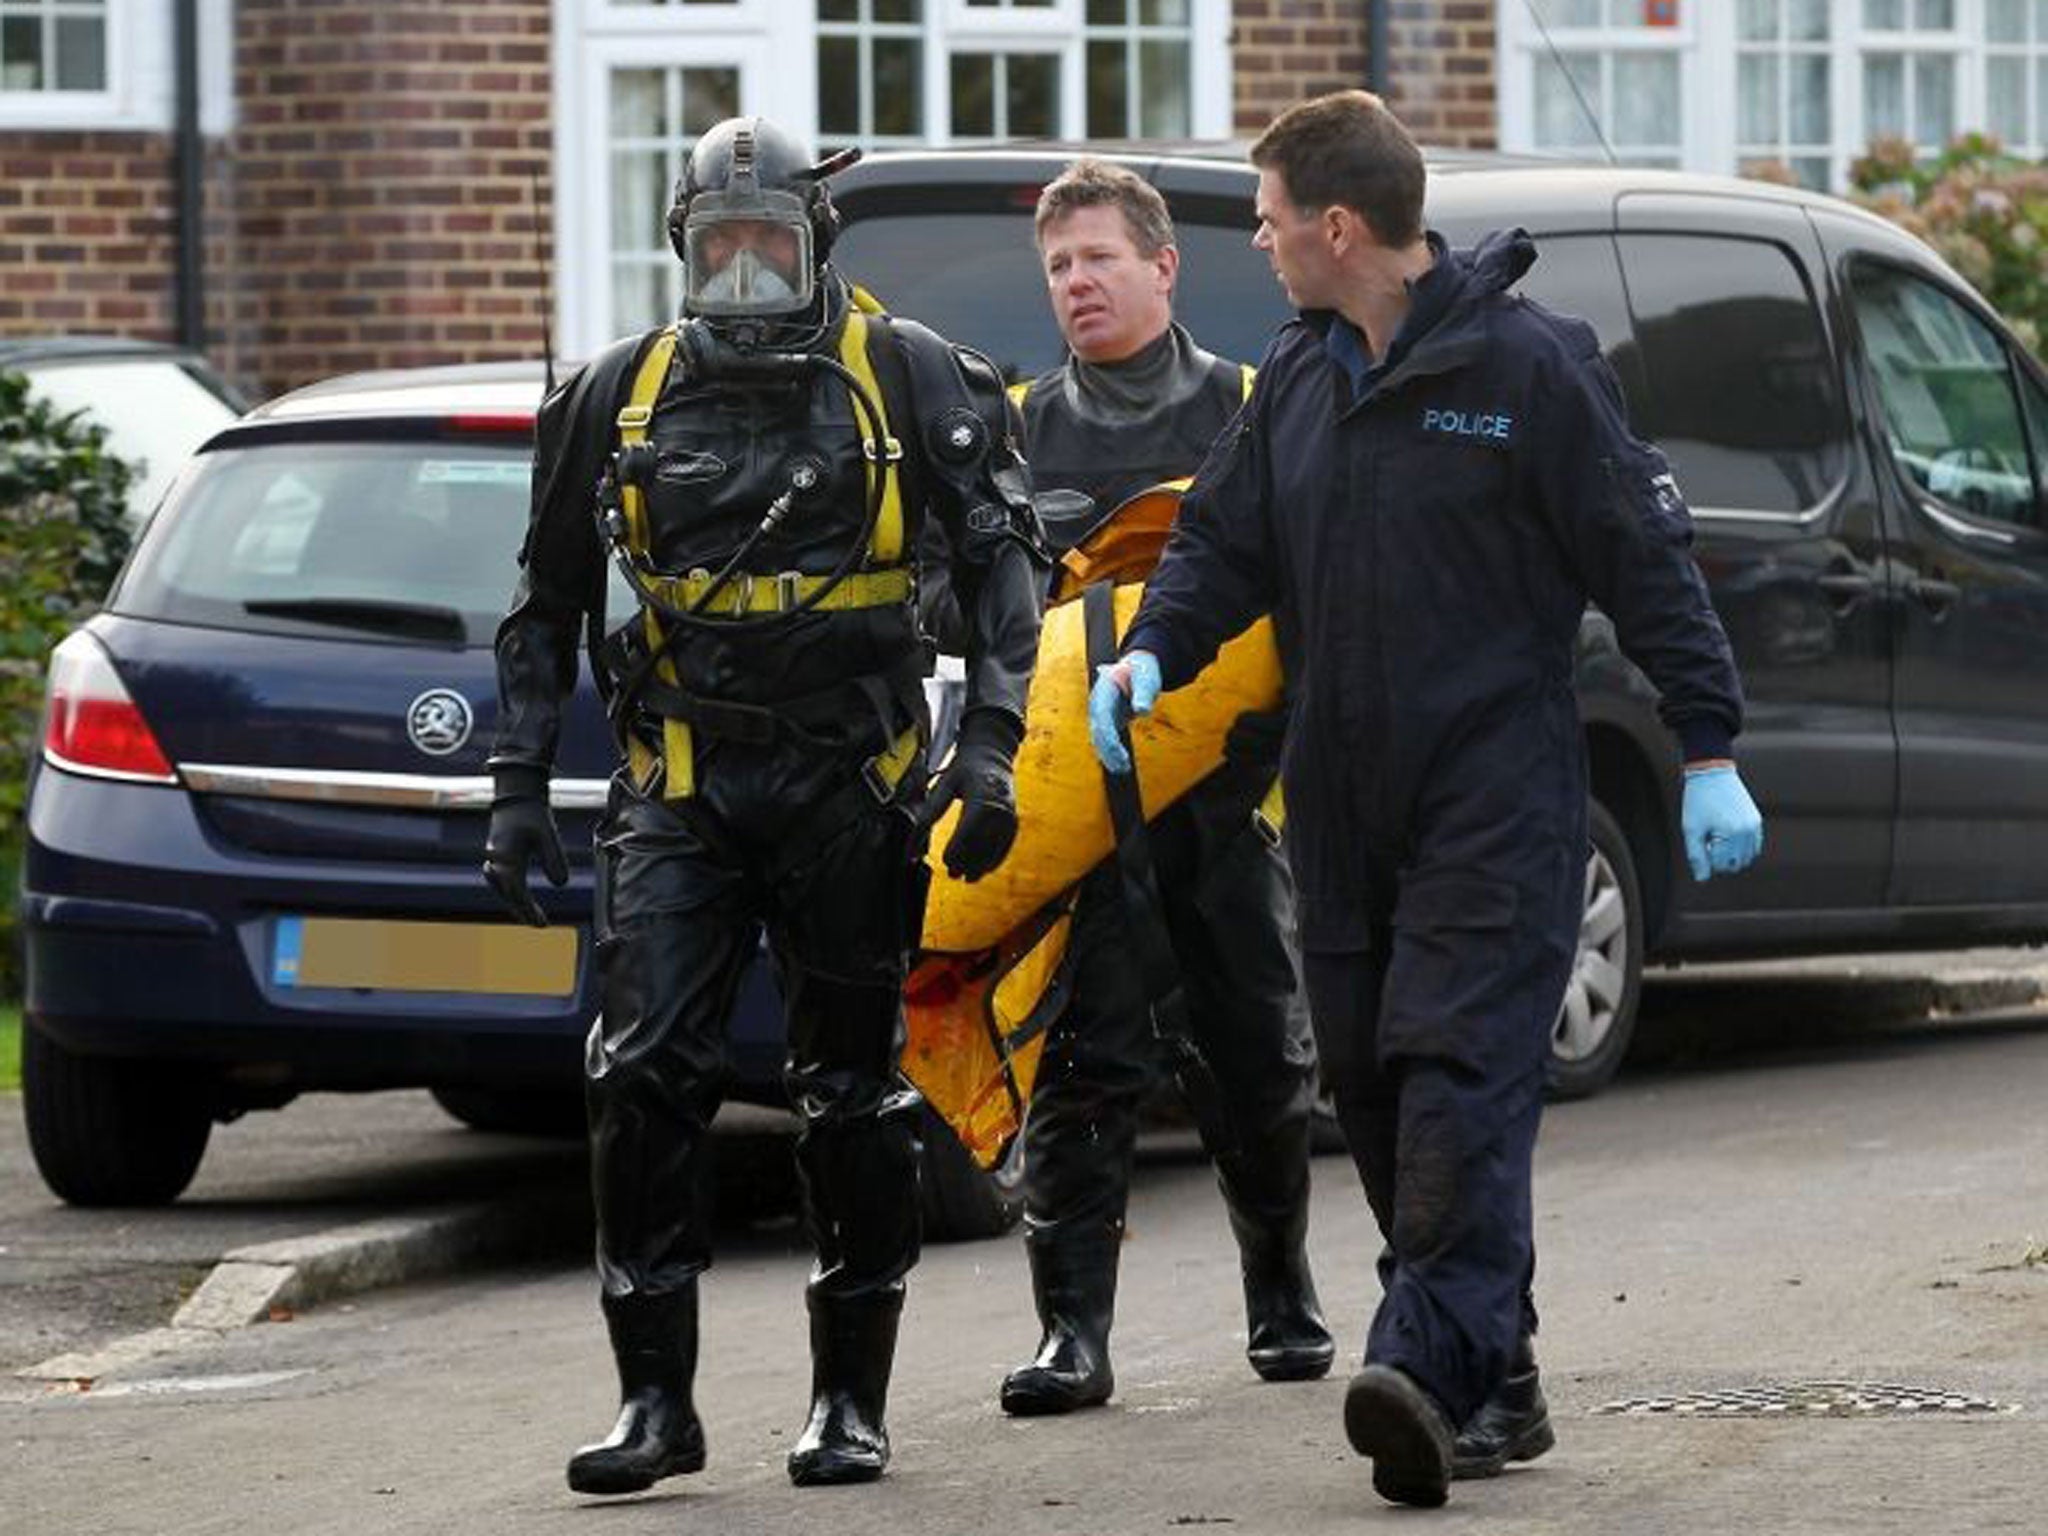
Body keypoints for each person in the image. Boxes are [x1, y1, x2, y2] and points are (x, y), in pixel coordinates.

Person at [1088, 92, 1762, 1508]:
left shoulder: (1527, 370)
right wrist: (1157, 646)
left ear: (1338, 226)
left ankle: (1422, 1360)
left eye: (1270, 220)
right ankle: (1495, 1371)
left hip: (1495, 791)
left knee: (1459, 1065)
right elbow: (1223, 539)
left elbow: (1644, 555)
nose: (1260, 245)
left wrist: (1708, 744)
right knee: (1373, 1077)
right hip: (1342, 793)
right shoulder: (1302, 375)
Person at [483, 116, 1044, 1493]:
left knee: (851, 1095)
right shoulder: (615, 394)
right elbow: (544, 602)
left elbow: (1004, 575)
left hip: (849, 785)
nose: (744, 273)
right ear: (681, 249)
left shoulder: (911, 380)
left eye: (768, 247)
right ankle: (654, 1405)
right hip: (678, 783)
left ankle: (850, 1401)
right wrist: (510, 787)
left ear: (818, 246)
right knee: (641, 1075)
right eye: (718, 247)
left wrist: (990, 751)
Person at [985, 158, 1335, 1417]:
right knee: (1077, 1061)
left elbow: (1309, 596)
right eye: (1058, 267)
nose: (1077, 283)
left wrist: (1273, 745)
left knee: (1254, 1052)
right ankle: (1070, 1332)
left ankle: (1280, 1290)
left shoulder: (1250, 407)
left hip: (1225, 800)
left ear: (1162, 266)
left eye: (1097, 259)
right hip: (1075, 816)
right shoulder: (1019, 432)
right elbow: (977, 615)